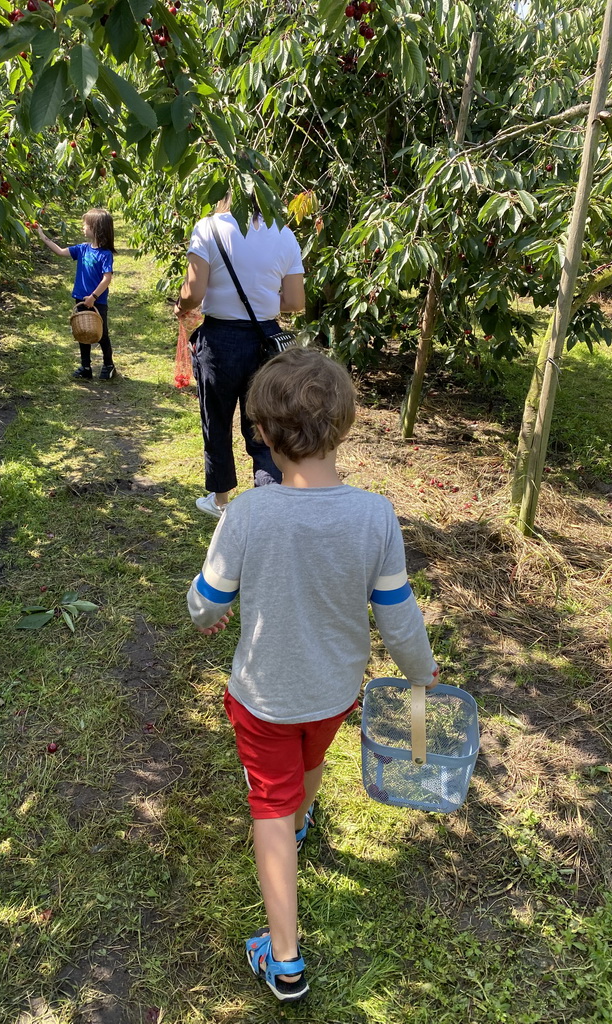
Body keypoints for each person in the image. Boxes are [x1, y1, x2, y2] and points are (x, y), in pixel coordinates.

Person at [186, 348, 439, 1003]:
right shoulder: (375, 515)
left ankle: (287, 958)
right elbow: (398, 615)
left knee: (267, 802)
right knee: (312, 756)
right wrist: (422, 671)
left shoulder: (247, 513)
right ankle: (302, 824)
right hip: (334, 692)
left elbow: (205, 603)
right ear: (346, 427)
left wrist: (206, 606)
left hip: (263, 696)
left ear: (263, 434)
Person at [174, 193, 305, 518]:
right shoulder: (284, 234)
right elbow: (295, 301)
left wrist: (182, 305)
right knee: (265, 424)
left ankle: (220, 501)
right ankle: (268, 505)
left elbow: (195, 291)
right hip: (266, 340)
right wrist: (260, 299)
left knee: (216, 420)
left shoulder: (208, 228)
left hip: (220, 340)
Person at [36, 210, 117, 380]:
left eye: (85, 225)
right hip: (80, 298)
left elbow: (106, 278)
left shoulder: (105, 254)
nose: (83, 227)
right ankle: (86, 367)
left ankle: (108, 365)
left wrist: (93, 297)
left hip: (97, 301)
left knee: (101, 333)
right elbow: (60, 251)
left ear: (95, 228)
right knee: (82, 332)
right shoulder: (82, 249)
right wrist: (43, 236)